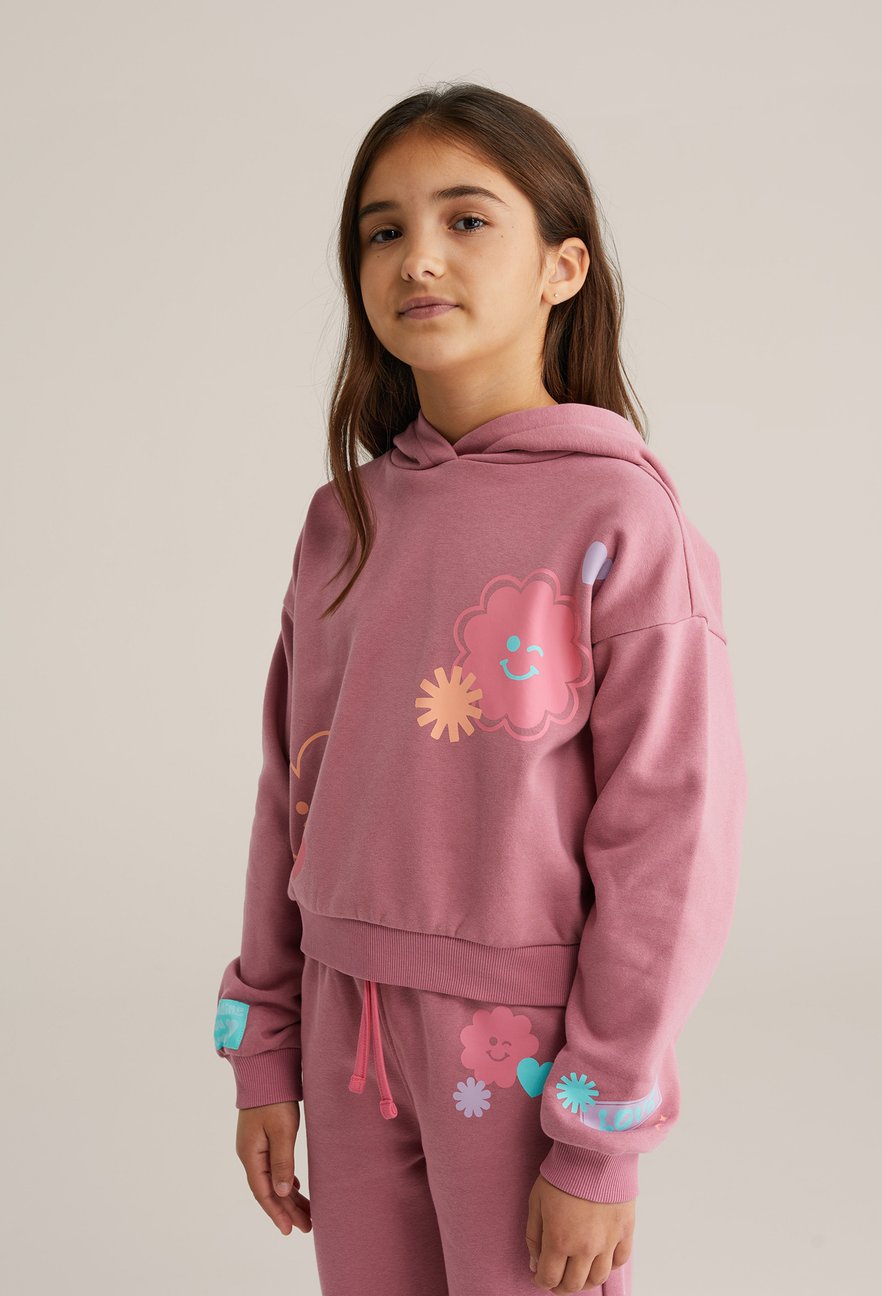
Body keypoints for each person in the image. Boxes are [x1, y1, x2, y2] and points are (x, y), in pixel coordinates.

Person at [213, 81, 748, 1296]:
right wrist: (265, 1046)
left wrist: (599, 1135)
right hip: (346, 1027)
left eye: (466, 220)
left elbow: (670, 842)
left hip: (522, 1047)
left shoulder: (620, 519)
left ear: (564, 267)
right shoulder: (342, 521)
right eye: (383, 230)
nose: (417, 258)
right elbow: (289, 795)